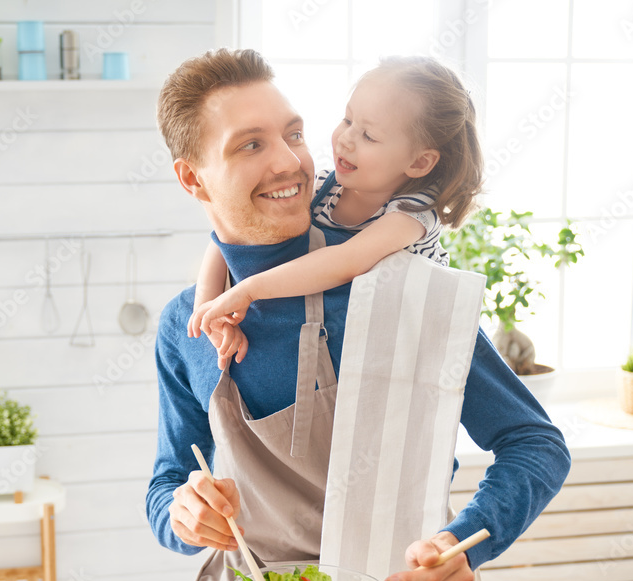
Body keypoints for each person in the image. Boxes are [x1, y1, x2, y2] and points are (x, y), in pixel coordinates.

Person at [145, 48, 570, 581]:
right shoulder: (185, 325)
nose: (291, 161)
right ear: (192, 178)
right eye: (251, 145)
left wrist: (461, 546)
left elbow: (535, 444)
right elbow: (166, 483)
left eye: (294, 133)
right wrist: (181, 515)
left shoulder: (404, 292)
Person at [188, 56, 478, 369]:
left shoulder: (414, 211)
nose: (345, 139)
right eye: (348, 120)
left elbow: (346, 262)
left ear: (419, 163)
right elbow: (226, 235)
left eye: (368, 136)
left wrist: (249, 290)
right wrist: (206, 305)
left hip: (410, 347)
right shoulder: (325, 186)